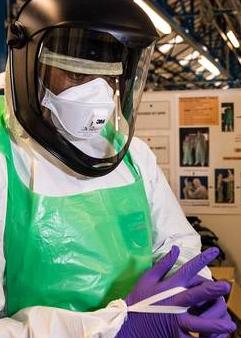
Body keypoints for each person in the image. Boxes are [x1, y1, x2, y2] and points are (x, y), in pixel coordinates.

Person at [0, 0, 236, 336]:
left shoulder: (133, 157)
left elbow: (175, 246)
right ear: (30, 68)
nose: (96, 93)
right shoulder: (6, 160)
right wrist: (112, 329)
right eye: (75, 73)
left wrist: (192, 289)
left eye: (107, 77)